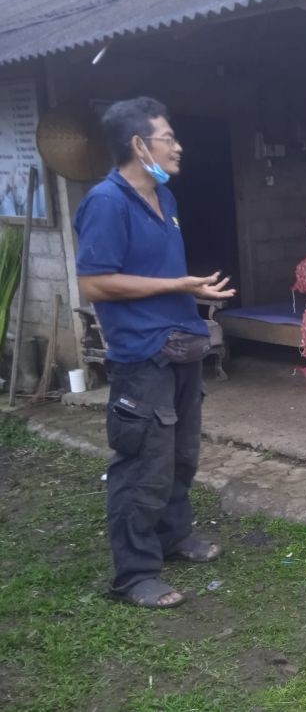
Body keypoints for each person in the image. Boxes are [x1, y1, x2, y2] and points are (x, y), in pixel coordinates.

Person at [75, 97, 236, 608]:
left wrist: (190, 291)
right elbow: (96, 284)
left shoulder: (164, 201)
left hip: (179, 343)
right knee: (143, 460)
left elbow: (156, 279)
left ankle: (172, 536)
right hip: (141, 355)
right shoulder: (107, 201)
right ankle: (135, 574)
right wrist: (176, 283)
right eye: (169, 138)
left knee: (180, 454)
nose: (178, 147)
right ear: (139, 145)